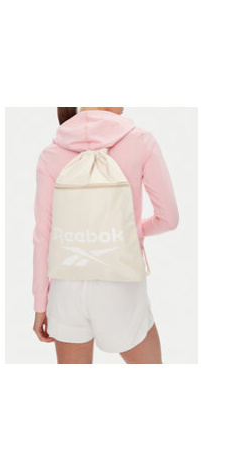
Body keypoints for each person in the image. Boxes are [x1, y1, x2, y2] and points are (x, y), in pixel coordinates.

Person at [33, 107, 179, 364]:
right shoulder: (141, 142)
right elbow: (169, 219)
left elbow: (43, 235)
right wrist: (130, 233)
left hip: (66, 289)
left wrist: (40, 305)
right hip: (121, 287)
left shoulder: (51, 153)